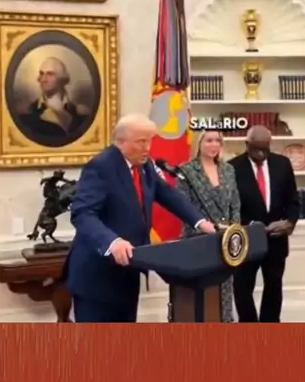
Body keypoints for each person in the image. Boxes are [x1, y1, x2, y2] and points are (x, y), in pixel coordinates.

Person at [67, 113, 216, 323]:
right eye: (141, 142)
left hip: (128, 271)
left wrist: (201, 223)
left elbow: (167, 195)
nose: (148, 148)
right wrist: (112, 242)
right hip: (96, 277)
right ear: (122, 141)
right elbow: (82, 214)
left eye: (150, 141)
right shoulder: (101, 167)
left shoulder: (145, 165)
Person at [229, 125, 300, 322]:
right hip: (245, 239)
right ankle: (249, 330)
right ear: (247, 144)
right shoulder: (232, 168)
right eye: (256, 148)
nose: (261, 153)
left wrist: (290, 223)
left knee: (274, 287)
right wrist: (250, 227)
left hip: (276, 240)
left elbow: (293, 200)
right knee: (242, 288)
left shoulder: (282, 164)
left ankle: (270, 330)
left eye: (265, 148)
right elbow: (230, 207)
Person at [177, 130, 241, 323]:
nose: (214, 145)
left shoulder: (228, 170)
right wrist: (206, 227)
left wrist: (234, 232)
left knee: (224, 291)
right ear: (199, 143)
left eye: (218, 141)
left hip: (225, 242)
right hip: (198, 240)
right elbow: (183, 206)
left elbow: (235, 204)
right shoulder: (186, 171)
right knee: (202, 295)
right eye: (209, 140)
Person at [17, 56, 90, 144]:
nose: (43, 79)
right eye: (41, 74)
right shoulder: (28, 114)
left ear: (62, 79)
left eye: (50, 74)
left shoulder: (80, 113)